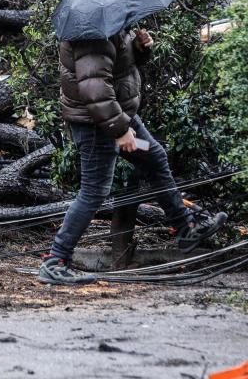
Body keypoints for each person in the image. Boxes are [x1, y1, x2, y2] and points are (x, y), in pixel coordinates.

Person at [38, 28, 227, 285]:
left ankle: (186, 228)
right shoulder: (92, 31)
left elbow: (115, 69)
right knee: (94, 191)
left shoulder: (111, 25)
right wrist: (119, 131)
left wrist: (139, 49)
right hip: (98, 125)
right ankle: (55, 261)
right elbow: (94, 87)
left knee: (154, 157)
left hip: (121, 117)